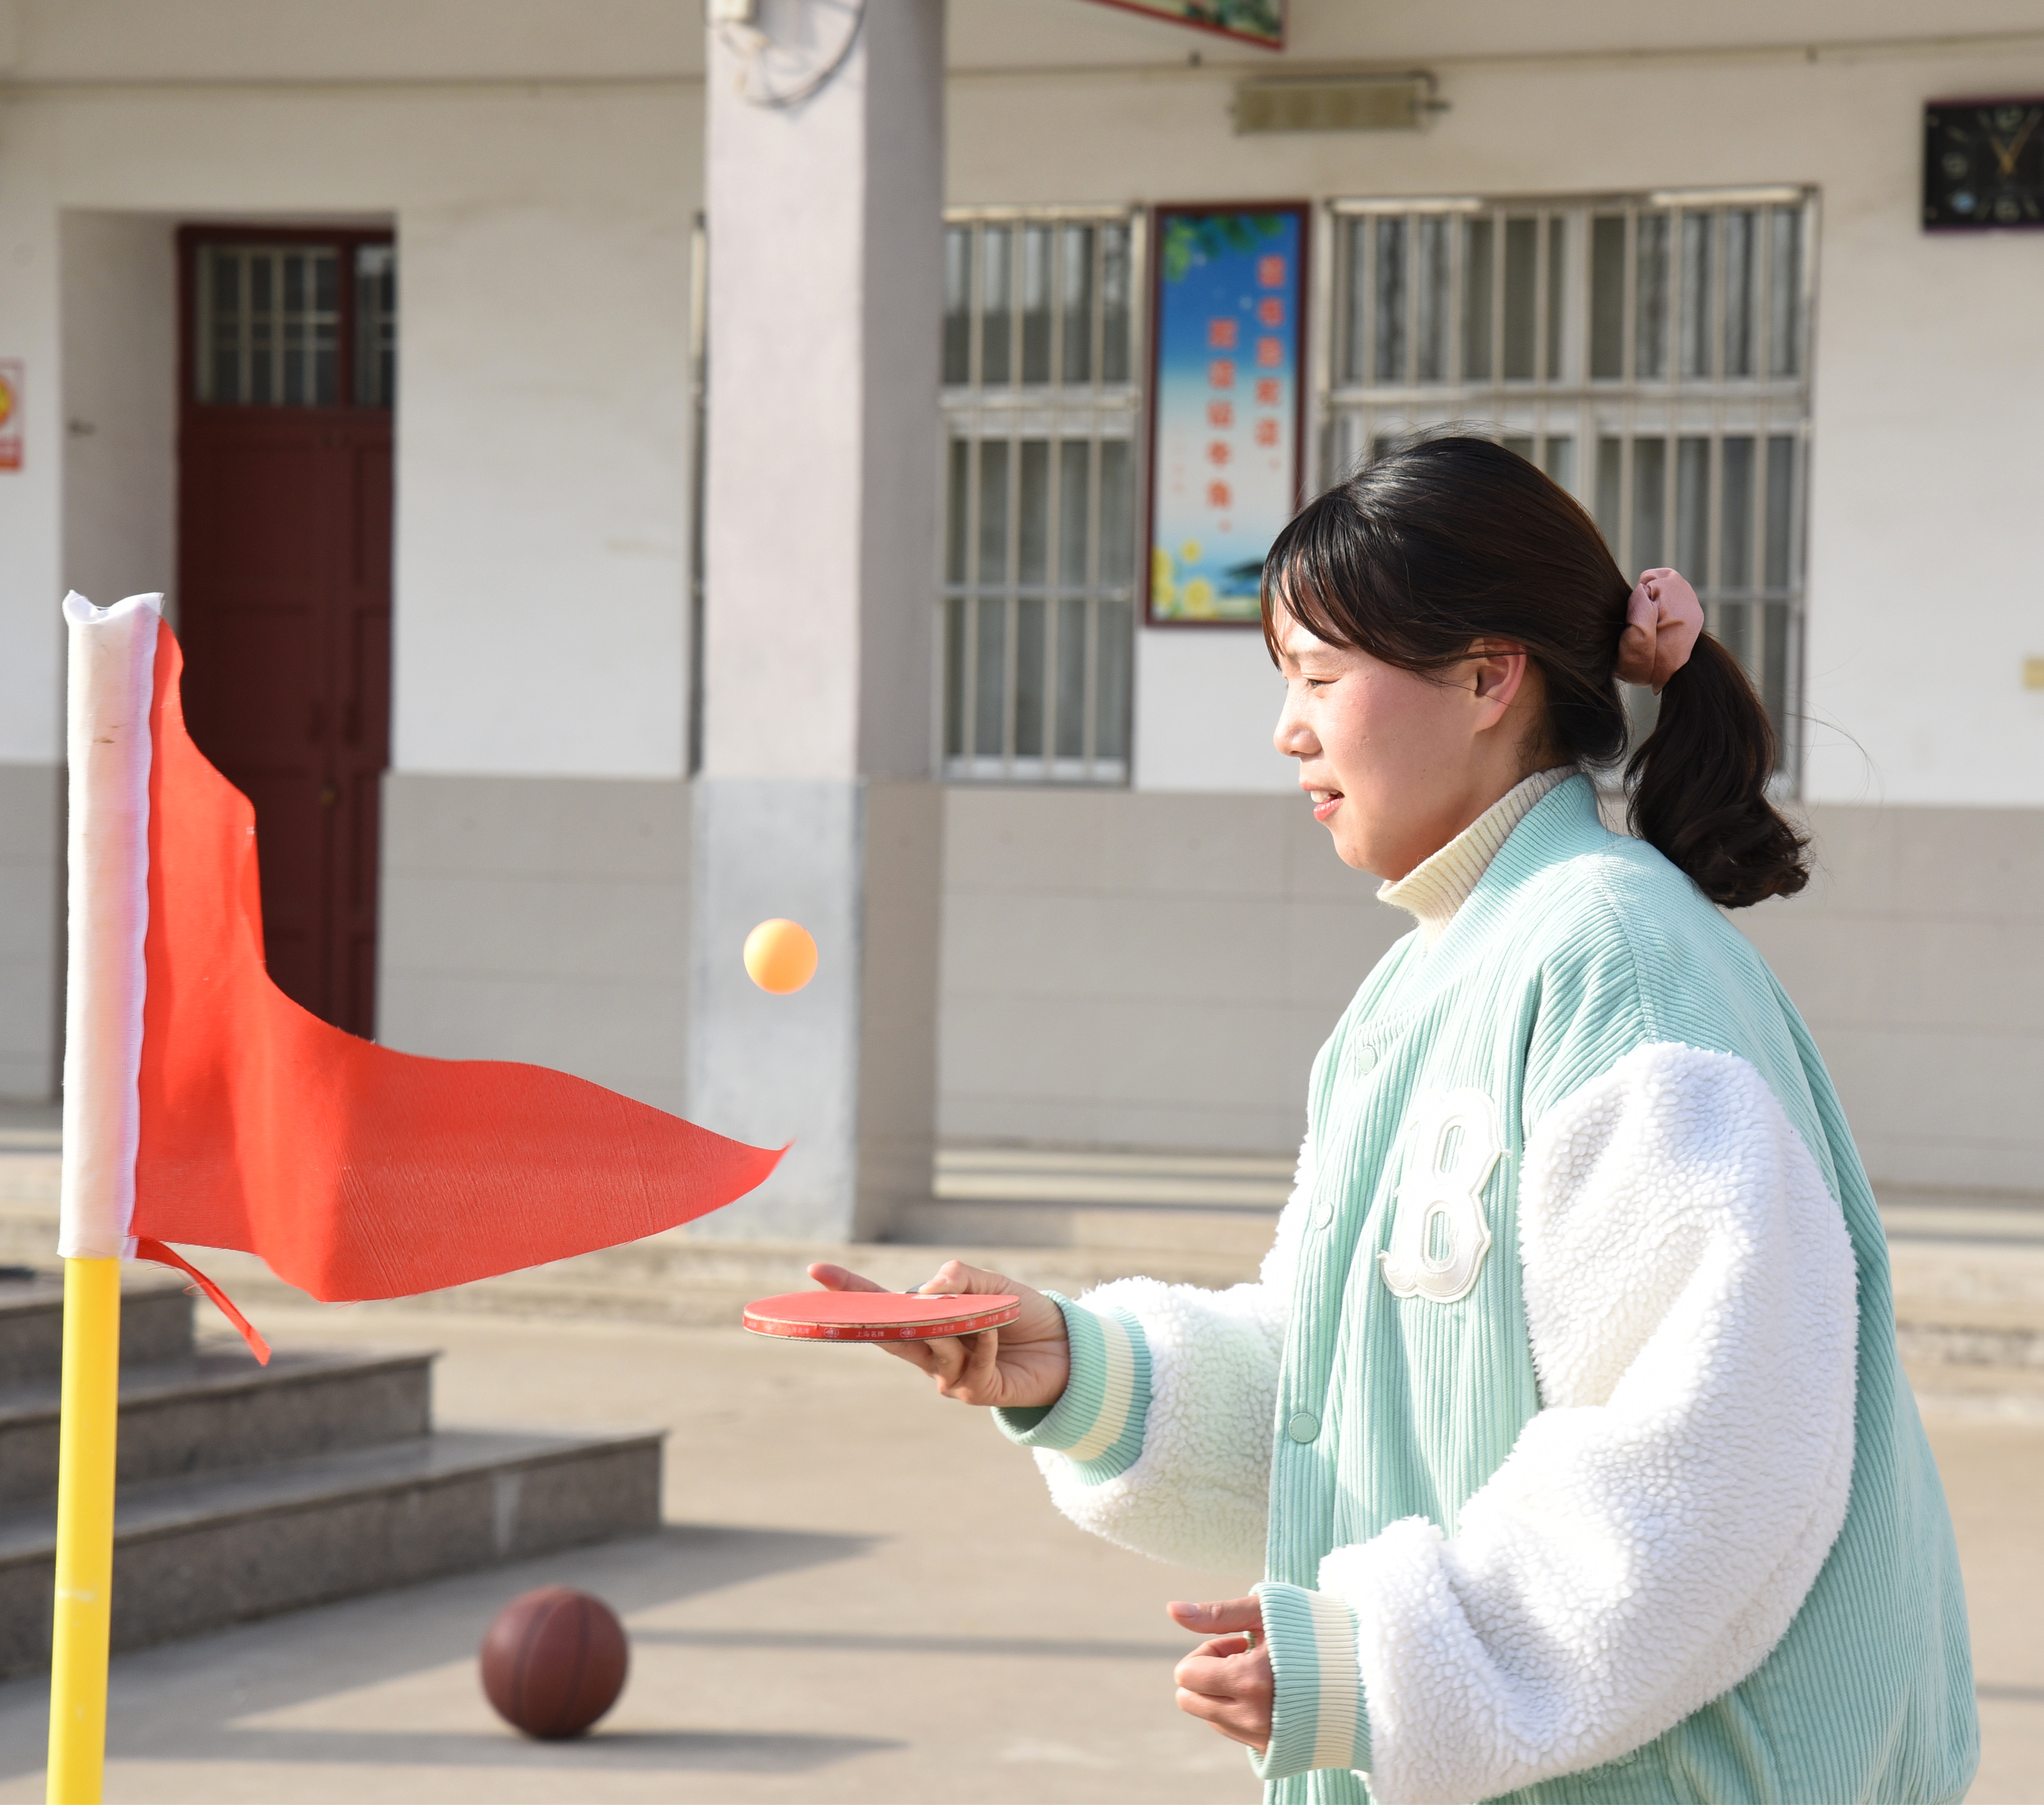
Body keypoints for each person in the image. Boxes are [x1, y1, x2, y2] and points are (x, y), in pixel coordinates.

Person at [812, 435, 1979, 1805]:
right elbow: (1349, 1399)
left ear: (1491, 678)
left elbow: (1708, 1456)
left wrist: (1385, 1661)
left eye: (1317, 676)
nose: (1286, 728)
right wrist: (1076, 1367)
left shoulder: (1618, 965)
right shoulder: (1431, 977)